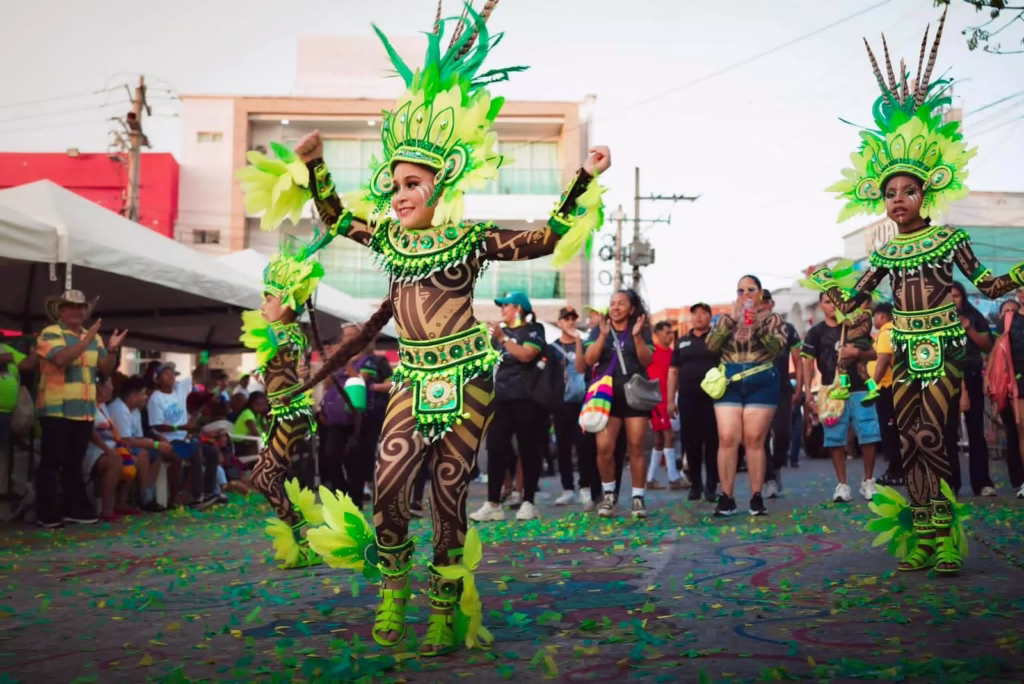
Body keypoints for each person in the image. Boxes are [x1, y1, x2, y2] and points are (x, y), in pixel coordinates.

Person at [238, 4, 609, 655]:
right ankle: (392, 595)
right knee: (387, 483)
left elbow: (546, 238)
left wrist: (584, 177)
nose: (400, 194)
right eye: (395, 185)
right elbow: (334, 215)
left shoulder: (468, 237)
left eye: (412, 184)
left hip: (467, 373)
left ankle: (444, 607)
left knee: (445, 491)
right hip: (413, 374)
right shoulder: (385, 236)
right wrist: (318, 162)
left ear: (441, 186)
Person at [813, 7, 1024, 574]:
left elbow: (985, 284)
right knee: (908, 443)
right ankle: (925, 535)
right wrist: (827, 284)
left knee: (937, 435)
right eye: (890, 193)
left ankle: (948, 537)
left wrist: (1021, 273)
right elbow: (854, 300)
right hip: (900, 348)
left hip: (944, 344)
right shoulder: (881, 252)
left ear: (924, 197)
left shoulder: (949, 237)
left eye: (908, 190)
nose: (898, 198)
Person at [236, 246, 323, 563]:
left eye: (268, 298)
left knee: (264, 477)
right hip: (287, 416)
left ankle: (301, 536)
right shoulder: (287, 334)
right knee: (263, 476)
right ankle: (302, 534)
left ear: (286, 303)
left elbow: (293, 361)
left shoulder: (285, 335)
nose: (262, 306)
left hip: (290, 417)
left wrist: (292, 371)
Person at [34, 290, 126, 528]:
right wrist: (87, 341)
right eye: (71, 306)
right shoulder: (50, 333)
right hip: (56, 409)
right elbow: (61, 359)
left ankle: (73, 509)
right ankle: (46, 513)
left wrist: (113, 350)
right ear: (61, 311)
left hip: (84, 409)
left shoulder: (92, 336)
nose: (77, 311)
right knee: (52, 463)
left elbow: (105, 368)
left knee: (74, 463)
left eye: (81, 307)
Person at [706, 276, 786, 517]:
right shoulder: (725, 319)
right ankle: (727, 497)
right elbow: (711, 345)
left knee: (753, 439)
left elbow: (776, 347)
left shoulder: (773, 318)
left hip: (761, 378)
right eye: (741, 290)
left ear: (760, 293)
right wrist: (732, 319)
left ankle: (756, 496)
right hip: (729, 379)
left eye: (751, 290)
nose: (746, 294)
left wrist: (756, 324)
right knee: (728, 437)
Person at [472, 293, 546, 522]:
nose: (502, 309)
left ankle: (528, 501)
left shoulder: (534, 330)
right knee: (495, 450)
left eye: (506, 305)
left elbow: (526, 355)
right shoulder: (497, 336)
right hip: (500, 400)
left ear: (519, 308)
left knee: (528, 451)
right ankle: (493, 503)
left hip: (527, 400)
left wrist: (504, 338)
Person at [801, 293, 881, 503]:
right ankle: (842, 485)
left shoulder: (856, 326)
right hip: (831, 390)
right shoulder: (815, 333)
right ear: (821, 305)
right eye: (828, 302)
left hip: (861, 387)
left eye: (836, 302)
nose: (832, 306)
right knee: (835, 437)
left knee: (869, 434)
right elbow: (807, 363)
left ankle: (869, 481)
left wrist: (855, 352)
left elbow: (873, 354)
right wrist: (808, 391)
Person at [584, 289, 654, 519]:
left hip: (635, 397)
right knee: (604, 449)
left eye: (621, 303)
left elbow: (647, 360)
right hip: (606, 398)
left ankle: (637, 498)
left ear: (631, 308)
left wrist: (635, 337)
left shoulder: (641, 328)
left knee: (636, 447)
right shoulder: (599, 328)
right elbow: (589, 360)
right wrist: (603, 336)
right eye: (612, 303)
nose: (615, 307)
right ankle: (609, 496)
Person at [667, 303, 721, 502]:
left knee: (713, 442)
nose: (699, 317)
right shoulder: (681, 342)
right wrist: (669, 401)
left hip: (713, 399)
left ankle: (711, 486)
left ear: (709, 317)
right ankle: (695, 484)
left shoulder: (717, 340)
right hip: (687, 398)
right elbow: (673, 372)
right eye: (695, 314)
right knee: (691, 443)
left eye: (703, 314)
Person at [947, 282, 996, 496]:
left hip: (972, 373)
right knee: (948, 432)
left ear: (963, 297)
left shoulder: (973, 316)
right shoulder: (935, 319)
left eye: (956, 296)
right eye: (948, 297)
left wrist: (968, 328)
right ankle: (950, 484)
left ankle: (982, 482)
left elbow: (988, 345)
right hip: (946, 377)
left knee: (976, 430)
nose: (952, 301)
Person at [107, 374, 174, 513]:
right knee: (143, 455)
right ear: (132, 396)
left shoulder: (136, 411)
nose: (146, 397)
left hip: (128, 447)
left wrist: (156, 444)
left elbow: (138, 437)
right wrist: (155, 444)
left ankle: (146, 494)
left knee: (156, 454)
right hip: (114, 447)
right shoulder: (120, 409)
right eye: (143, 394)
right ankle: (145, 499)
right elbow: (126, 440)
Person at [760, 289, 803, 498]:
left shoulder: (788, 328)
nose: (762, 305)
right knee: (761, 436)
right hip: (758, 389)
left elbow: (798, 360)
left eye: (765, 301)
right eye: (758, 302)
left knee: (783, 433)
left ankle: (776, 466)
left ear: (772, 303)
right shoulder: (750, 329)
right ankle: (768, 478)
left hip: (783, 388)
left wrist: (800, 387)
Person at [550, 306, 588, 507]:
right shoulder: (552, 348)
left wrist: (579, 342)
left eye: (573, 318)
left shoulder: (584, 344)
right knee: (563, 446)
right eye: (566, 319)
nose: (570, 322)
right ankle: (567, 488)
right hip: (561, 404)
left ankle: (585, 487)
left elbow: (584, 367)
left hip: (582, 403)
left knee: (583, 446)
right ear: (559, 322)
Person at [646, 321, 686, 491]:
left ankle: (650, 478)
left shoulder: (672, 353)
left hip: (668, 399)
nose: (670, 335)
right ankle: (673, 477)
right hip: (656, 401)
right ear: (657, 334)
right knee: (668, 436)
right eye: (667, 332)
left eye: (671, 332)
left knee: (660, 439)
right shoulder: (650, 353)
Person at [991, 298, 1024, 498]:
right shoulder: (1009, 320)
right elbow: (996, 349)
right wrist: (989, 378)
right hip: (1020, 380)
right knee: (1023, 431)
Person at [869, 303, 904, 487]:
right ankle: (898, 469)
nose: (873, 320)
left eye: (874, 316)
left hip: (887, 388)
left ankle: (896, 471)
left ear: (882, 316)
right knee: (896, 430)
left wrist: (872, 385)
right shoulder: (898, 329)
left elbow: (883, 360)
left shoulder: (885, 332)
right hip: (897, 387)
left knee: (890, 432)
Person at [0, 332, 37, 464]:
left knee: (4, 454)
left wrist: (37, 351)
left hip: (7, 412)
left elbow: (27, 364)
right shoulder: (6, 354)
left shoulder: (5, 348)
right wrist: (3, 358)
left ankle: (5, 482)